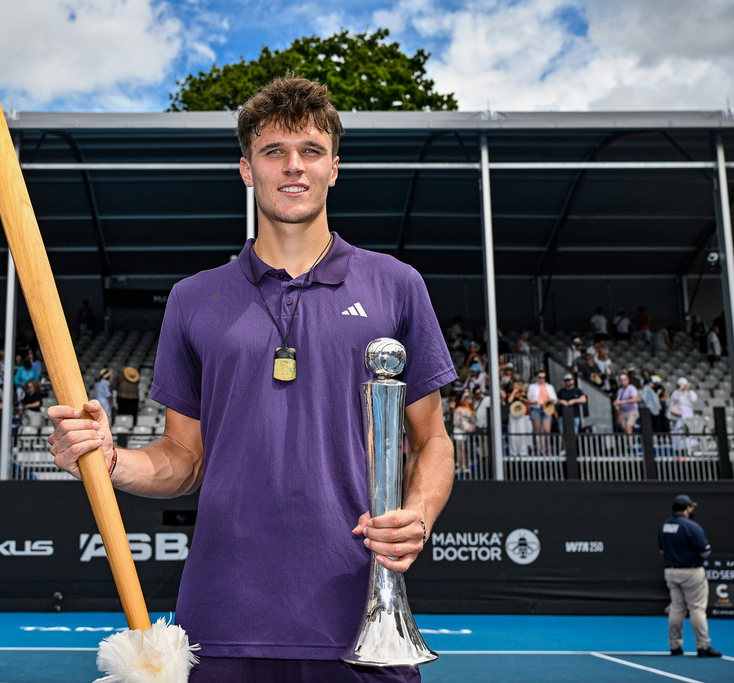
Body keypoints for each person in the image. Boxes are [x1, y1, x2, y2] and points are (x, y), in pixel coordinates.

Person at [47, 76, 455, 682]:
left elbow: (433, 440)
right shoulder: (193, 299)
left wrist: (415, 515)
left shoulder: (396, 285)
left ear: (334, 168)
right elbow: (184, 458)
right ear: (246, 168)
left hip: (360, 616)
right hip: (221, 618)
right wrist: (108, 460)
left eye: (311, 151)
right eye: (273, 152)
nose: (294, 167)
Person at [657, 494, 722, 658]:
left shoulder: (665, 526)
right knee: (697, 608)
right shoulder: (691, 526)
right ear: (688, 508)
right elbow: (705, 551)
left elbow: (662, 550)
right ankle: (702, 646)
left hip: (671, 571)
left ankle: (674, 646)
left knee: (677, 607)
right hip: (691, 571)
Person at [526, 370, 556, 435]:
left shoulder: (550, 387)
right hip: (536, 408)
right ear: (537, 377)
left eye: (543, 377)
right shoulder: (532, 387)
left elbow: (554, 398)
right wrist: (533, 401)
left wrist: (551, 400)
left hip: (547, 408)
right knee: (537, 430)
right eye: (540, 377)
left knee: (547, 430)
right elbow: (529, 398)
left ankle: (546, 445)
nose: (542, 379)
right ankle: (539, 445)